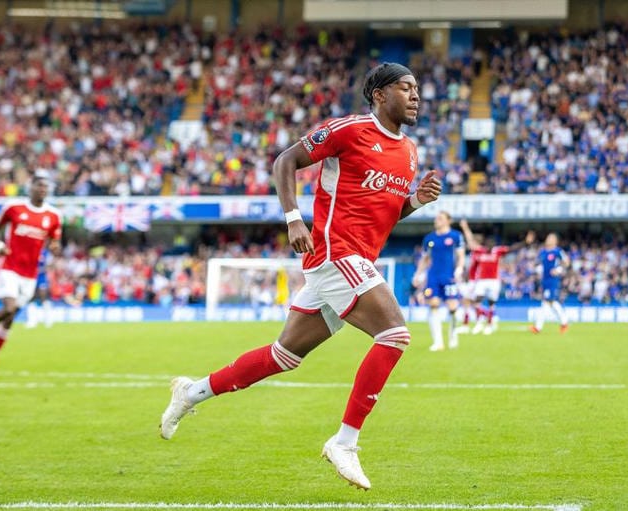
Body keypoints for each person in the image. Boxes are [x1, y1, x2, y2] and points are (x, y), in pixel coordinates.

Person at [159, 62, 442, 490]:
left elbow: (384, 215)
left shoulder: (409, 151)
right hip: (333, 252)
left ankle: (191, 392)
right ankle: (345, 441)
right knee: (395, 334)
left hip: (359, 258)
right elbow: (285, 160)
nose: (416, 95)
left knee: (283, 355)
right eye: (406, 88)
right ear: (380, 95)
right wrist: (293, 218)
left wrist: (415, 203)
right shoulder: (349, 130)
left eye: (417, 88)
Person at [0, 171, 62, 377]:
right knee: (9, 308)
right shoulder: (14, 208)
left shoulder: (53, 216)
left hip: (30, 274)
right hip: (10, 267)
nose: (42, 190)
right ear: (31, 187)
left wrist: (55, 247)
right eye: (39, 185)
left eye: (46, 187)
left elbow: (55, 241)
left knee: (10, 319)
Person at [459, 222, 534, 335]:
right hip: (482, 281)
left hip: (494, 281)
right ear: (485, 244)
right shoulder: (480, 251)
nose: (490, 244)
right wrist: (465, 228)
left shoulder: (498, 251)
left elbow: (512, 248)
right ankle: (480, 322)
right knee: (477, 301)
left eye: (492, 243)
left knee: (491, 303)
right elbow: (470, 241)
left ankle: (489, 324)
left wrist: (525, 243)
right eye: (488, 242)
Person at [411, 211, 465, 351]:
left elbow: (461, 255)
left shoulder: (455, 236)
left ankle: (453, 336)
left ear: (448, 220)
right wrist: (418, 274)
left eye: (440, 218)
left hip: (449, 276)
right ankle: (438, 342)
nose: (437, 220)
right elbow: (425, 258)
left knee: (452, 307)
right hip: (433, 276)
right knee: (433, 305)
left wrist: (459, 268)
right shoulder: (429, 238)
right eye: (436, 218)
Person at [529, 233, 570, 334]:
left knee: (547, 302)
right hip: (545, 280)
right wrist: (536, 267)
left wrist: (559, 269)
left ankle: (538, 327)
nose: (548, 239)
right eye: (548, 237)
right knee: (550, 302)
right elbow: (538, 263)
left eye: (551, 238)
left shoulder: (558, 251)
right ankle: (564, 323)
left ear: (555, 241)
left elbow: (567, 262)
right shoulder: (543, 252)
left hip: (553, 280)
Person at [25, 248, 54, 329]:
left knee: (44, 297)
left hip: (41, 277)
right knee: (31, 298)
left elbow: (50, 265)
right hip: (31, 277)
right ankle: (32, 321)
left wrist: (40, 269)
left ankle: (48, 320)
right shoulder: (30, 251)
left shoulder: (45, 252)